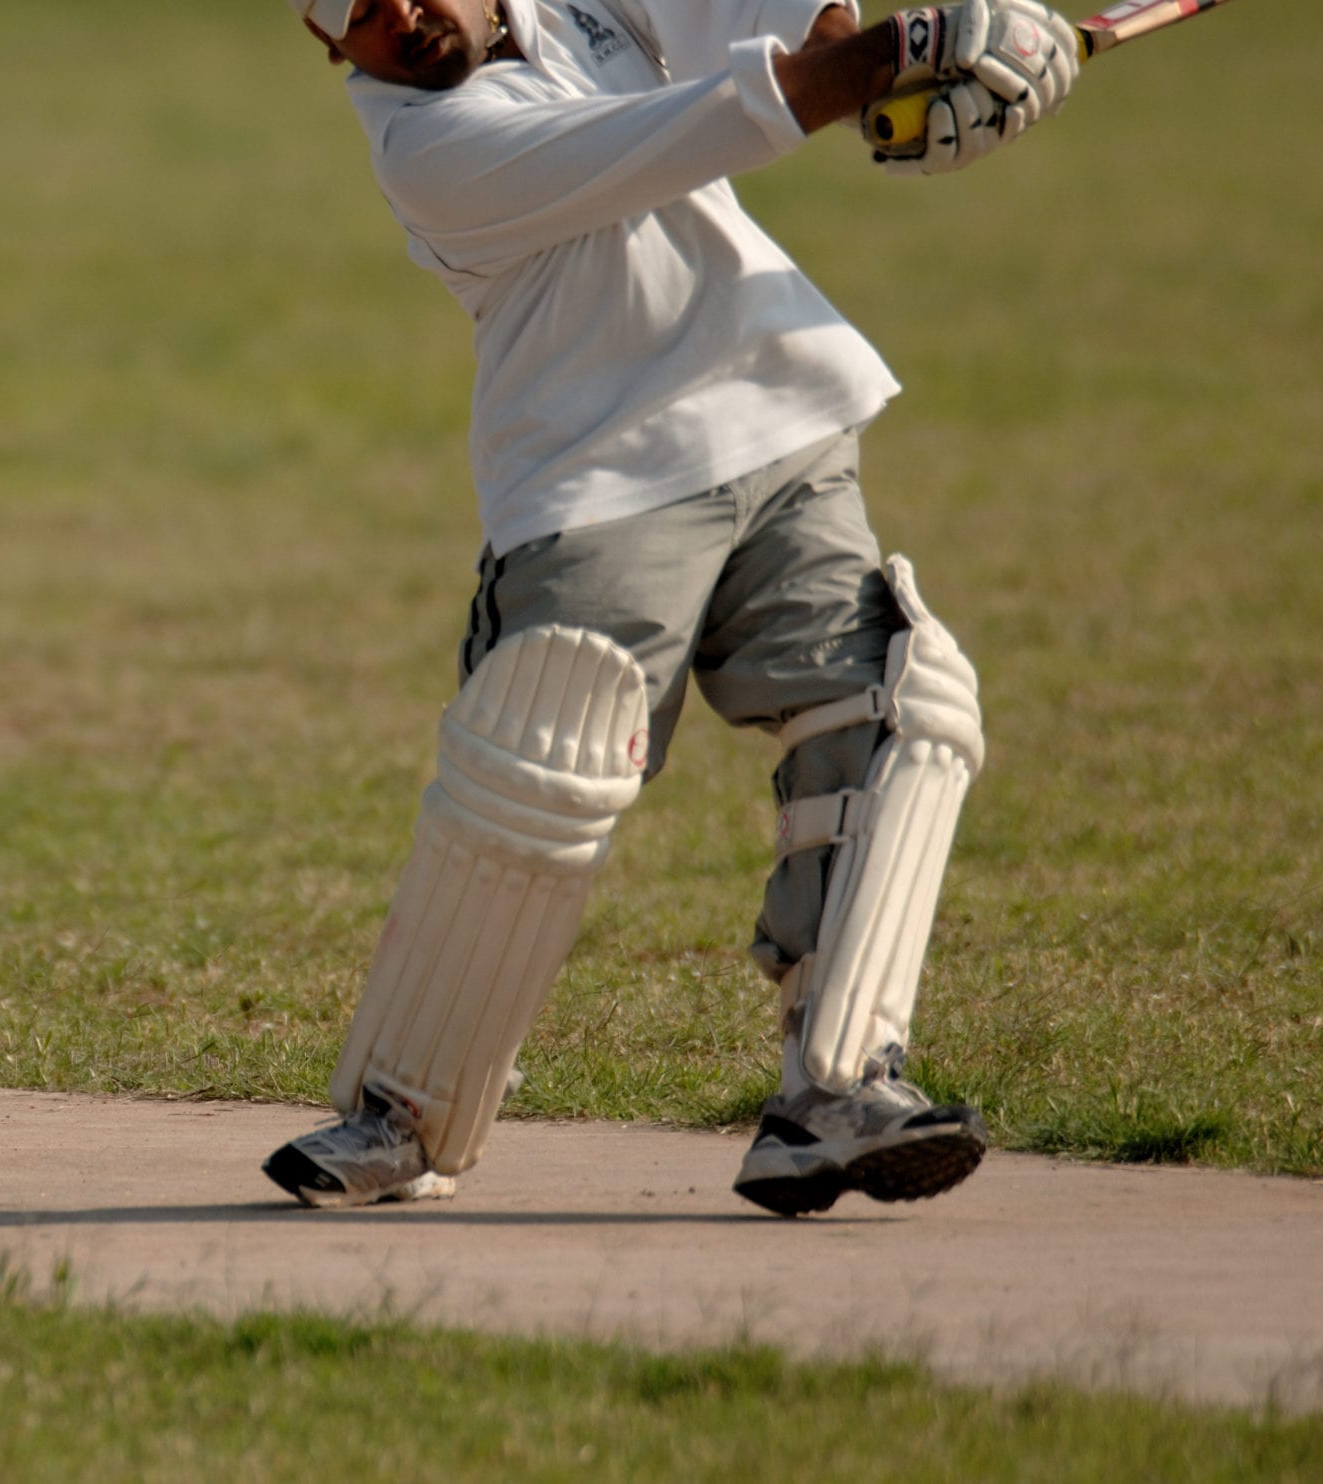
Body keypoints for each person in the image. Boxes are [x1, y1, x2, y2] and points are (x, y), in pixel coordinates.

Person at [259, 0, 1078, 1216]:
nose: (409, 22)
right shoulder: (428, 152)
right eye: (369, 21)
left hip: (779, 411)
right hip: (598, 468)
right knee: (548, 751)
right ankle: (403, 1115)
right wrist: (901, 56)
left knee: (893, 711)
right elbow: (690, 126)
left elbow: (739, 18)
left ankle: (836, 1092)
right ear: (336, 51)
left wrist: (884, 36)